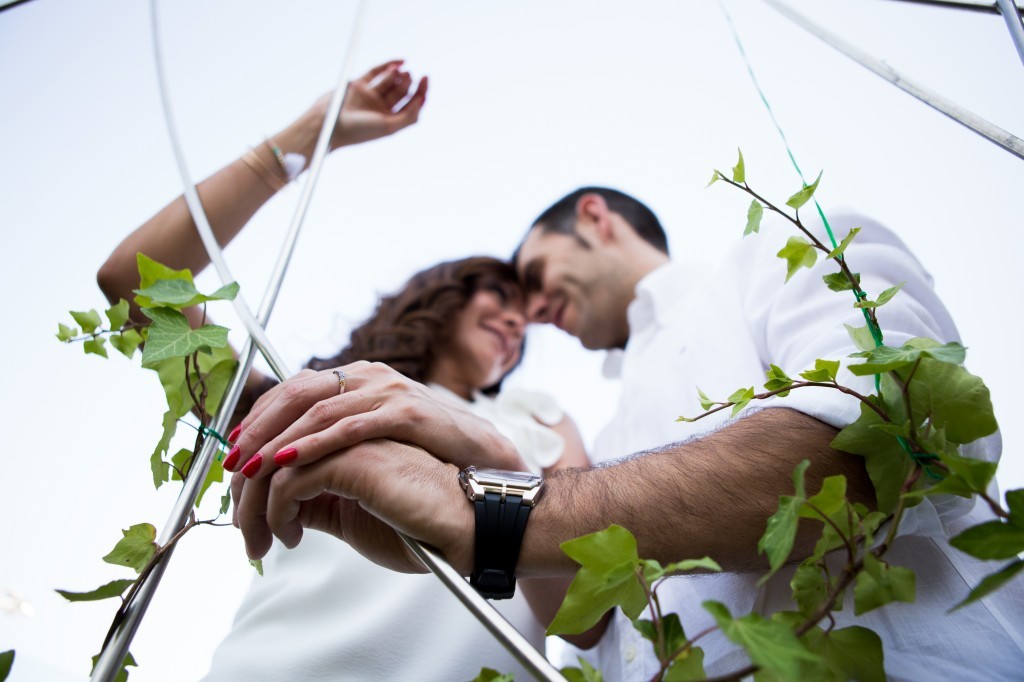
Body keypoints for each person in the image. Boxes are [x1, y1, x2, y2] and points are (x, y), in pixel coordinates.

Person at [228, 188, 1024, 679]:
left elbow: (891, 443)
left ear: (594, 218)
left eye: (535, 278)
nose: (532, 312)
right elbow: (584, 620)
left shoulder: (786, 256)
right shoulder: (597, 441)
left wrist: (487, 506)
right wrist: (504, 479)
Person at [97, 62, 591, 680]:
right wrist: (309, 136)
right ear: (439, 294)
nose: (518, 323)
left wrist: (501, 472)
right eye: (498, 294)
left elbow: (585, 615)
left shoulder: (538, 418)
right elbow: (135, 282)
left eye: (529, 323)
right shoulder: (304, 397)